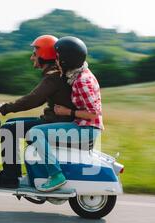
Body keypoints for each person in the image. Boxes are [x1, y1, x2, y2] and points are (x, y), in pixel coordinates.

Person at [0, 35, 76, 188]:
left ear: (44, 55)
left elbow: (32, 100)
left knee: (9, 129)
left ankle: (10, 177)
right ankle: (13, 172)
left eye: (35, 53)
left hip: (57, 124)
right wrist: (4, 109)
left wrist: (2, 108)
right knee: (11, 124)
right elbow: (37, 99)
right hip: (55, 121)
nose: (31, 57)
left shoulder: (53, 78)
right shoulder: (55, 75)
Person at [27, 36, 104, 192]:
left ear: (65, 60)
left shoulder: (82, 80)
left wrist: (67, 111)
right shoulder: (77, 74)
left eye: (57, 57)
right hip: (82, 127)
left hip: (85, 131)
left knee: (35, 132)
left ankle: (56, 176)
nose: (55, 60)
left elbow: (94, 114)